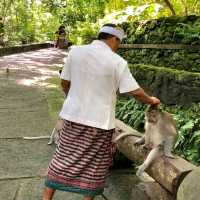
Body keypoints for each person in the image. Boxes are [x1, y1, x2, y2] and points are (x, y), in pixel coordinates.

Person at [43, 23, 160, 200]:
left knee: (62, 159)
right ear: (114, 39)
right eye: (119, 42)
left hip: (72, 118)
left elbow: (65, 82)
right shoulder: (117, 61)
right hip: (99, 124)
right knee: (95, 166)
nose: (118, 46)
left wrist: (72, 98)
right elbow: (134, 91)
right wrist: (151, 100)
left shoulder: (76, 51)